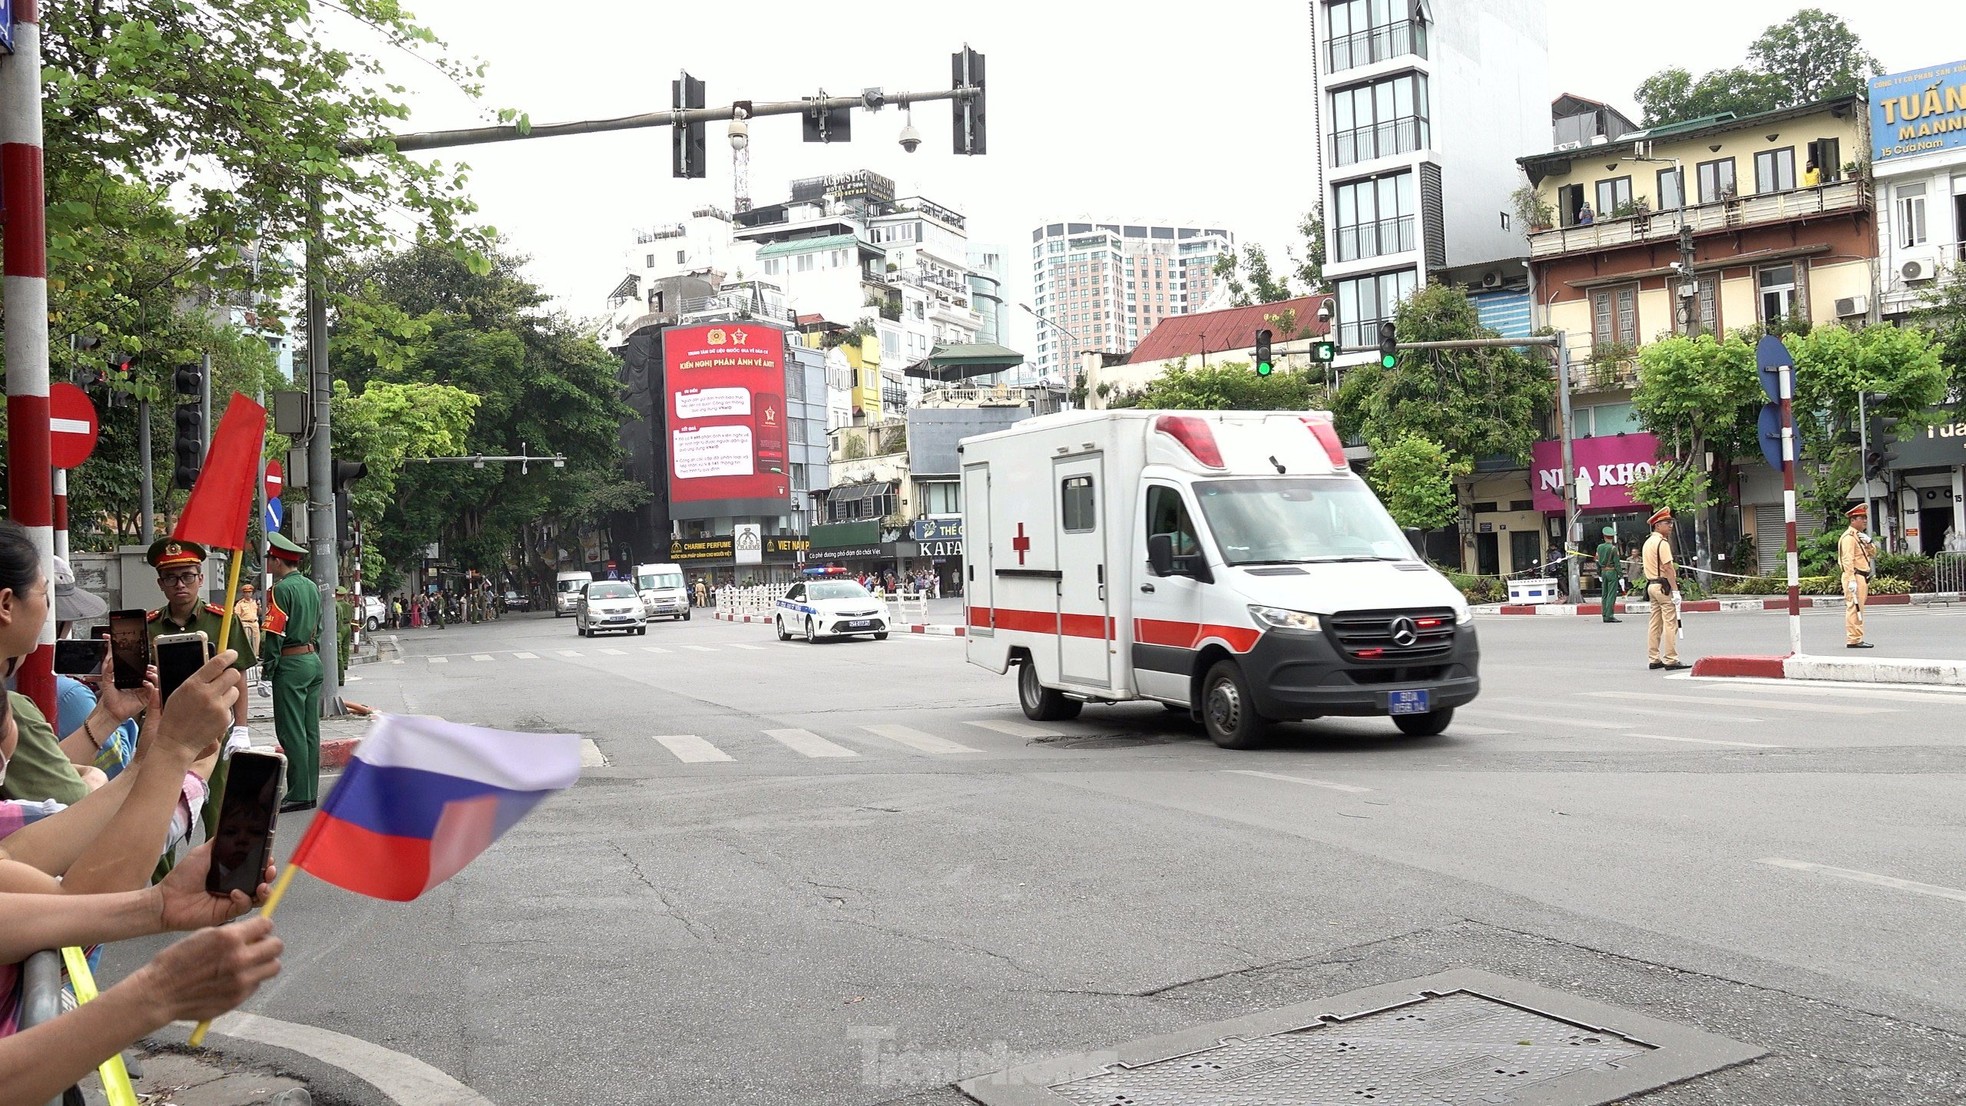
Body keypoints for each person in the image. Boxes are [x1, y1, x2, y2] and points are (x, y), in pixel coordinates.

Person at [145, 539, 256, 751]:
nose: (180, 584)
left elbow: (238, 672)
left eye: (187, 576)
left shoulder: (224, 622)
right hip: (164, 725)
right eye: (170, 578)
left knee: (211, 784)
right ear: (160, 584)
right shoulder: (148, 626)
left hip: (212, 726)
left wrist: (241, 729)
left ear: (200, 579)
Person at [260, 533, 323, 812]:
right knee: (310, 729)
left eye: (269, 559)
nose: (268, 564)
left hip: (291, 664)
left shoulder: (280, 590)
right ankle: (309, 791)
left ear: (277, 560)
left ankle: (298, 793)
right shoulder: (310, 586)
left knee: (291, 730)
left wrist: (267, 669)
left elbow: (274, 634)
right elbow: (318, 626)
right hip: (311, 660)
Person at [1642, 507, 1685, 671]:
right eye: (1667, 523)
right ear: (1657, 525)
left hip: (1651, 585)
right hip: (1663, 587)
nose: (1670, 526)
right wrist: (1675, 590)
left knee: (1654, 623)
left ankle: (1654, 658)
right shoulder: (1662, 543)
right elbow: (1668, 568)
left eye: (1671, 523)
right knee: (1670, 623)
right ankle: (1671, 659)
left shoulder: (1648, 543)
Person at [1839, 503, 1875, 649]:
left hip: (1861, 576)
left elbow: (1872, 555)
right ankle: (1854, 639)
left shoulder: (1859, 537)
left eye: (1866, 518)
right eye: (1861, 518)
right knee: (1854, 607)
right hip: (1854, 575)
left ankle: (1857, 637)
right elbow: (1847, 560)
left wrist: (1869, 543)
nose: (1865, 521)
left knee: (1859, 607)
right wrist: (1851, 580)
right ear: (1853, 520)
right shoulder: (1848, 538)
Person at [1595, 525, 1623, 623]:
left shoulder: (1599, 547)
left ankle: (1604, 614)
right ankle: (1609, 615)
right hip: (1612, 572)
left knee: (1604, 594)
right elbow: (1617, 563)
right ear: (1612, 537)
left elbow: (1597, 561)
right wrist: (1621, 575)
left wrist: (1598, 573)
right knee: (1611, 594)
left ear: (1604, 536)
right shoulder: (1613, 549)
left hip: (1603, 572)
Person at [233, 582, 263, 654]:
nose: (248, 594)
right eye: (246, 592)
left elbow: (260, 613)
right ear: (243, 593)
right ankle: (248, 655)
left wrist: (259, 606)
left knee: (256, 640)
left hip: (254, 622)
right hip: (245, 623)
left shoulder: (254, 602)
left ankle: (256, 655)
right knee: (247, 640)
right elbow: (236, 614)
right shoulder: (240, 603)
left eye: (249, 592)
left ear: (252, 593)